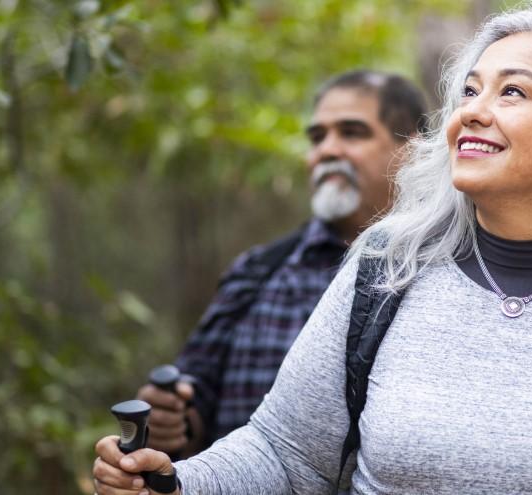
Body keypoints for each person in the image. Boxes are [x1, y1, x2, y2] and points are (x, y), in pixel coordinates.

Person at [93, 6, 532, 494]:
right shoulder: (387, 266)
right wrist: (174, 484)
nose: (473, 110)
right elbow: (284, 452)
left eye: (512, 92)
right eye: (469, 90)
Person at [135, 70, 428, 457]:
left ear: (412, 150)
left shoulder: (448, 272)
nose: (327, 150)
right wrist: (171, 419)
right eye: (317, 137)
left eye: (352, 132)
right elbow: (197, 399)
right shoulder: (258, 272)